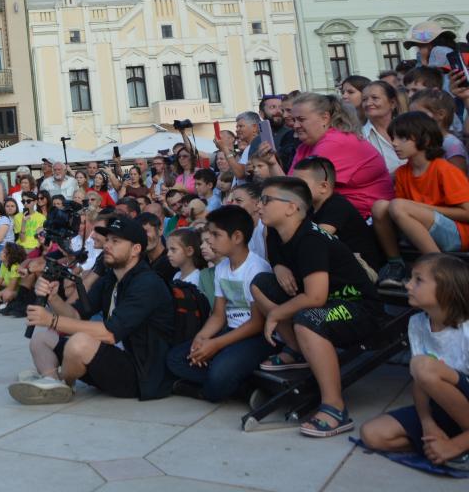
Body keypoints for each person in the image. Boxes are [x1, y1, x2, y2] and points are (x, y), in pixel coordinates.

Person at [251, 176, 382, 438]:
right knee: (260, 284)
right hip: (327, 302)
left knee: (308, 317)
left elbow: (315, 298)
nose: (259, 205)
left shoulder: (311, 239)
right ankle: (300, 352)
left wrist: (276, 314)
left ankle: (335, 408)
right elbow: (278, 257)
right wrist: (278, 266)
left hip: (358, 307)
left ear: (292, 208)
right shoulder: (277, 232)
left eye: (266, 200)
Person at [12, 217, 175, 403]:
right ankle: (52, 381)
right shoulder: (111, 278)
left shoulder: (147, 283)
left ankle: (63, 382)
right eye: (107, 240)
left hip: (139, 374)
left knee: (79, 342)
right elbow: (75, 315)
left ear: (135, 249)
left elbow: (110, 333)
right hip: (110, 358)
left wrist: (51, 320)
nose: (107, 245)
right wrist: (54, 298)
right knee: (41, 338)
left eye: (116, 241)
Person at [359, 254, 469, 469]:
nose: (407, 285)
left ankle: (460, 444)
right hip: (444, 408)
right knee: (372, 435)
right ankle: (440, 445)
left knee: (423, 365)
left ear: (446, 289)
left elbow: (422, 370)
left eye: (418, 280)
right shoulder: (417, 323)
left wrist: (456, 444)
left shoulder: (466, 329)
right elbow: (418, 382)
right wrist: (428, 424)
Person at [167, 206, 273, 401]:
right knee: (175, 358)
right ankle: (243, 389)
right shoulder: (222, 268)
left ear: (237, 237)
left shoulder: (256, 268)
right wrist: (201, 338)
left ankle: (208, 388)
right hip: (228, 331)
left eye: (216, 235)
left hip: (254, 337)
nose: (210, 241)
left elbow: (257, 323)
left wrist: (215, 344)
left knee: (218, 372)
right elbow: (218, 314)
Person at [259, 92, 394, 220]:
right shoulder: (306, 145)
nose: (295, 125)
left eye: (301, 119)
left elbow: (299, 193)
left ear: (325, 118)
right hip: (338, 214)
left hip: (364, 218)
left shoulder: (336, 142)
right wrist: (272, 163)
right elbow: (289, 188)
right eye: (294, 120)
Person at [373, 113, 469, 288]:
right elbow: (401, 211)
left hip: (457, 235)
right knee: (380, 207)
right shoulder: (403, 172)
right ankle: (395, 263)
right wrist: (416, 209)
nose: (394, 143)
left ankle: (440, 268)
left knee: (398, 205)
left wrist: (422, 208)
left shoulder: (444, 169)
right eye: (393, 137)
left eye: (402, 138)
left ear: (424, 140)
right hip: (423, 229)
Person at [361, 80, 408, 174]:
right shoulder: (360, 136)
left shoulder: (409, 128)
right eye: (364, 99)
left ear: (392, 103)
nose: (368, 103)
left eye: (375, 98)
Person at [136, 212, 175, 287]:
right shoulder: (138, 262)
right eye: (139, 233)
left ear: (160, 230)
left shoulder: (172, 262)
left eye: (145, 231)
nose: (142, 237)